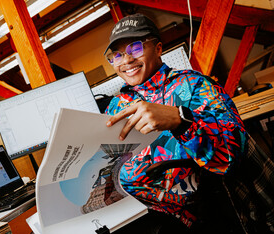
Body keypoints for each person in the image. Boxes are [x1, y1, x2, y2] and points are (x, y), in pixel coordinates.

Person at [103, 13, 249, 232]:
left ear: (158, 49)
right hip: (131, 213)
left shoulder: (194, 85)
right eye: (118, 55)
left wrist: (181, 121)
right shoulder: (116, 105)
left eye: (135, 48)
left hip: (185, 216)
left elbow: (232, 155)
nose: (126, 61)